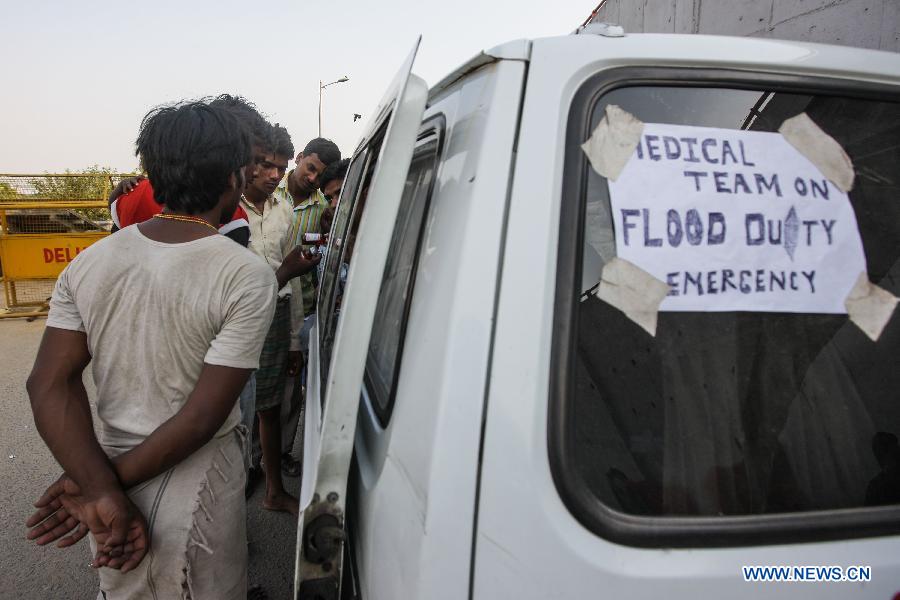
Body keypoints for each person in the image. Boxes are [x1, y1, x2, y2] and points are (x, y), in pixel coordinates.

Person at [25, 99, 319, 598]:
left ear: (153, 176)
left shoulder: (92, 262)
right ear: (234, 177)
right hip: (199, 479)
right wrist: (97, 488)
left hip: (105, 463)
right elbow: (202, 417)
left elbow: (48, 383)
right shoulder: (244, 274)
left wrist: (97, 487)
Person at [241, 124, 309, 513]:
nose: (271, 174)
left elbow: (290, 274)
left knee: (270, 407)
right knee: (232, 410)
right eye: (265, 164)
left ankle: (273, 491)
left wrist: (296, 339)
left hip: (278, 314)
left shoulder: (284, 209)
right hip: (237, 317)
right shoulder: (227, 209)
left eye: (279, 169)